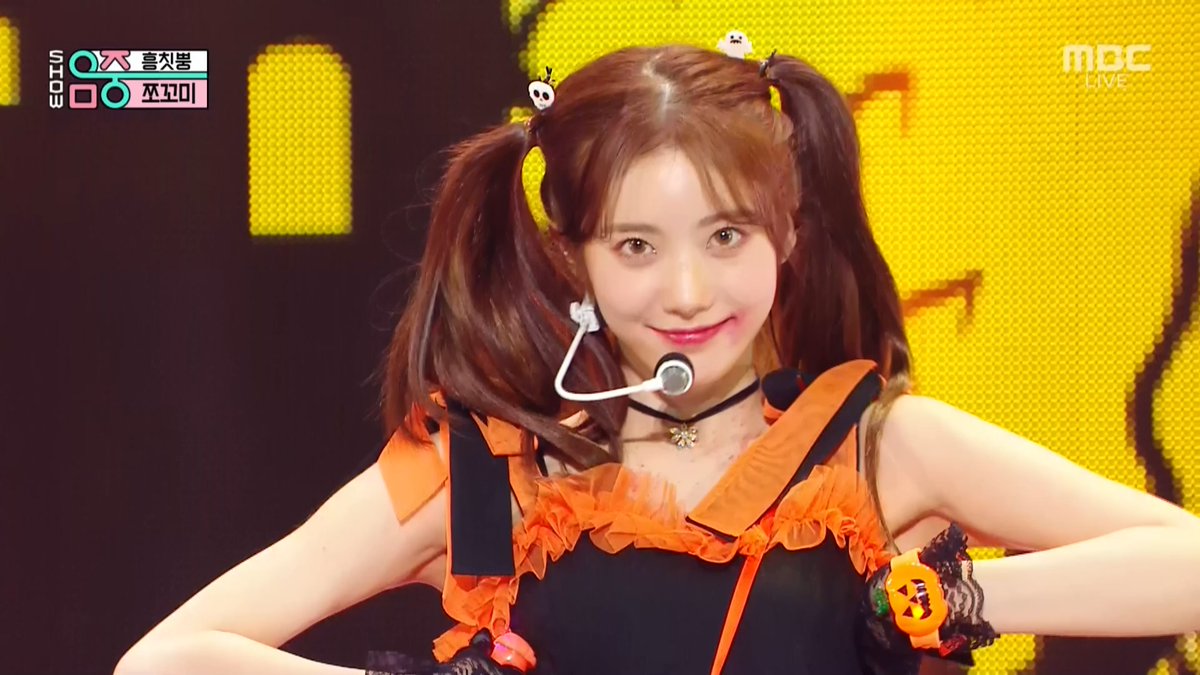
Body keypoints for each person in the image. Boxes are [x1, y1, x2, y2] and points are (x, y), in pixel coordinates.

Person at [114, 41, 1200, 675]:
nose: (687, 291)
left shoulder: (878, 447)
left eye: (726, 236)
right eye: (636, 246)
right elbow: (165, 658)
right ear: (573, 257)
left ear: (788, 232)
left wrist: (953, 599)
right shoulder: (482, 474)